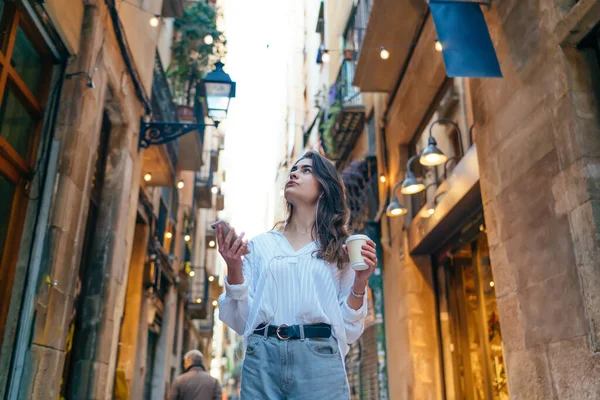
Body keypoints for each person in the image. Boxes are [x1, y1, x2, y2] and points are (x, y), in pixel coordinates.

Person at [217, 151, 378, 399]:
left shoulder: (340, 249)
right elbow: (240, 320)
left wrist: (361, 280)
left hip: (319, 361)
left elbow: (350, 328)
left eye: (306, 170)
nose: (294, 173)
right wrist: (234, 265)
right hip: (263, 360)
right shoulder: (260, 247)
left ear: (324, 188)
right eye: (294, 169)